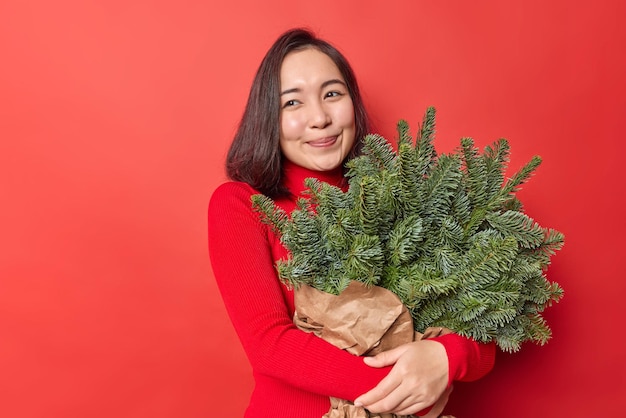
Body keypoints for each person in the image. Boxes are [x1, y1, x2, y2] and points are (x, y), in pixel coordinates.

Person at [208, 28, 495, 418]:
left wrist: (445, 357)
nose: (320, 118)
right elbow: (270, 345)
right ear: (268, 119)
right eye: (292, 103)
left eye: (332, 94)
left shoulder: (404, 198)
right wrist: (410, 391)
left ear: (352, 104)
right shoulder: (243, 205)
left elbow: (488, 318)